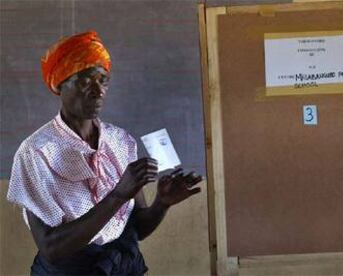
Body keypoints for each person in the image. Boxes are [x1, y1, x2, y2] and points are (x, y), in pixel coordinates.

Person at [6, 30, 203, 275]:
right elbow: (51, 249)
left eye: (103, 80)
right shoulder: (36, 152)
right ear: (60, 84)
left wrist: (161, 204)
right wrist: (118, 195)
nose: (99, 91)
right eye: (86, 81)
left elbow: (137, 229)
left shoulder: (120, 142)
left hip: (123, 267)